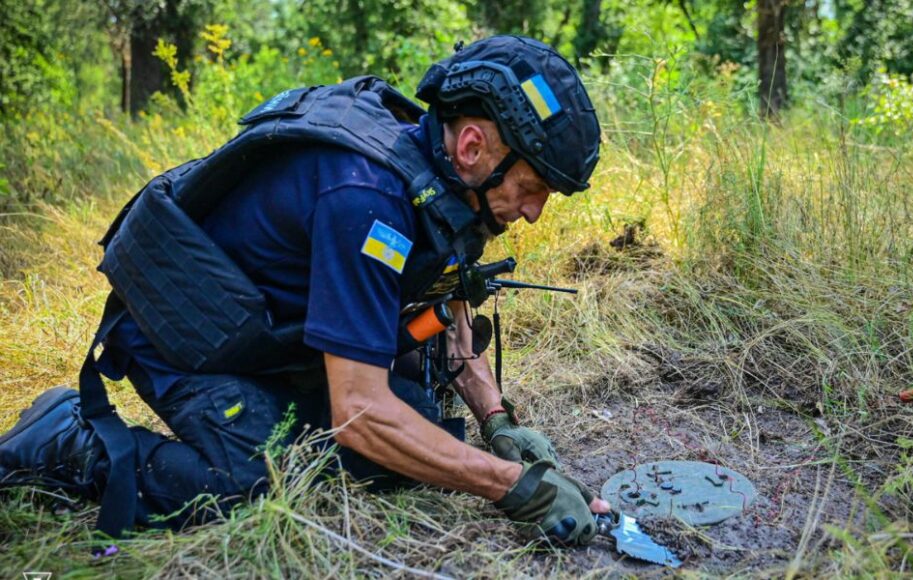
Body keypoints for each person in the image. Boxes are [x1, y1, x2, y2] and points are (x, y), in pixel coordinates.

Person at [0, 35, 609, 547]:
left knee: (422, 424)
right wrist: (512, 486)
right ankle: (67, 436)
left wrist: (496, 420)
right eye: (532, 189)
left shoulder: (442, 173)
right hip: (185, 334)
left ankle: (287, 399)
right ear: (474, 146)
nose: (532, 213)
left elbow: (444, 294)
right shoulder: (368, 199)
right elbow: (362, 415)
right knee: (259, 480)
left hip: (269, 325)